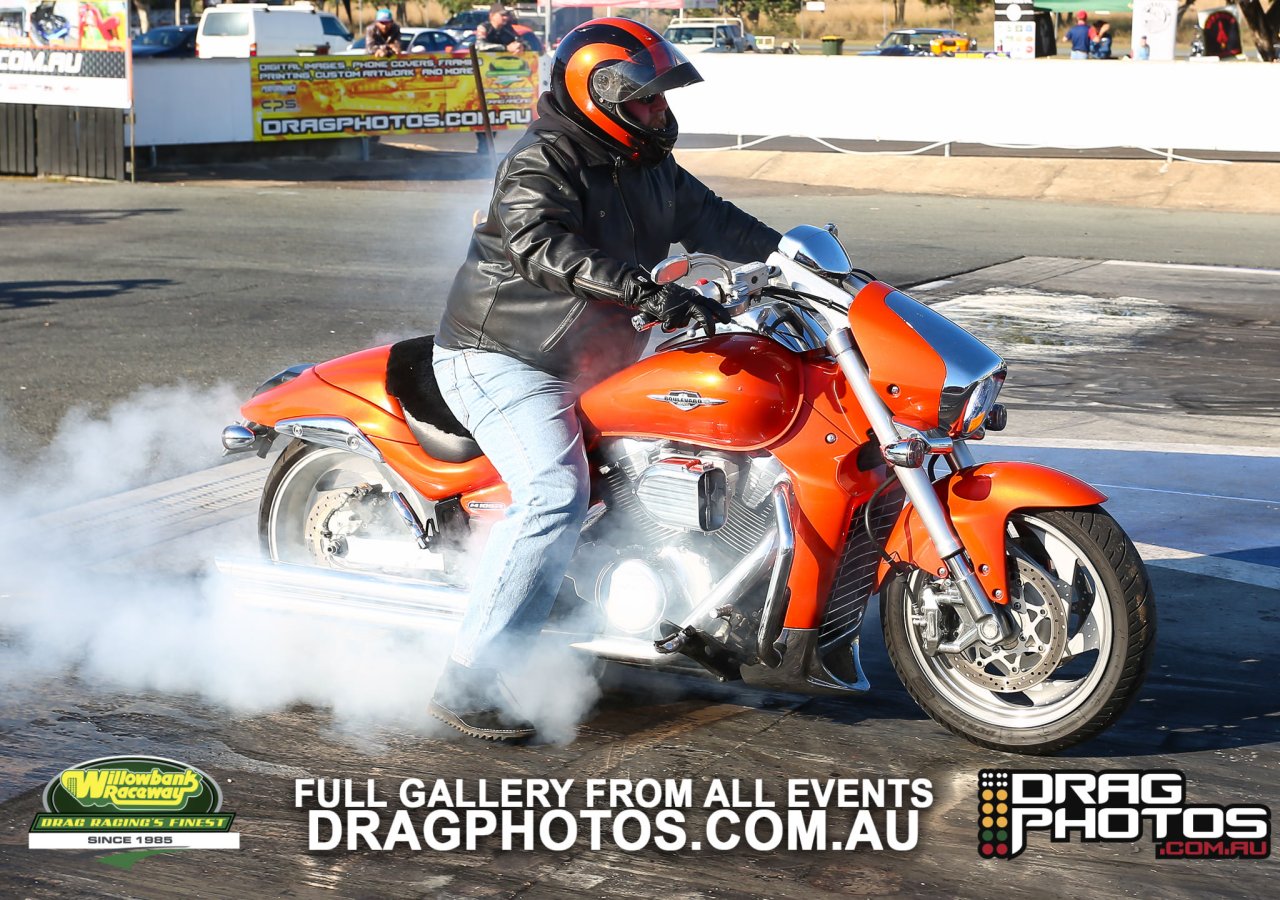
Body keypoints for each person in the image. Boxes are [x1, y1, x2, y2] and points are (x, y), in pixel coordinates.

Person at [428, 17, 781, 742]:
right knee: (556, 492)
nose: (661, 112)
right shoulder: (542, 160)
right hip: (507, 356)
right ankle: (466, 676)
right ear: (602, 97)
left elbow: (719, 222)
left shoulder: (646, 161)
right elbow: (538, 243)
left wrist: (807, 263)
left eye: (662, 98)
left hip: (599, 350)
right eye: (646, 100)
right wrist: (642, 289)